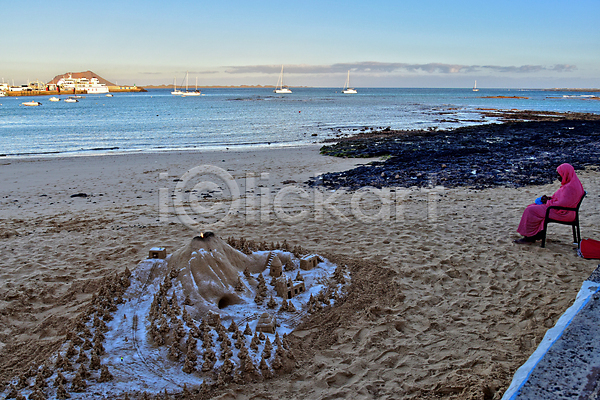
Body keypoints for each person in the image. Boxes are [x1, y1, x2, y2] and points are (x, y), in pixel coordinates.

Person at [515, 163, 585, 244]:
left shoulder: (570, 188)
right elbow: (562, 200)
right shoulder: (573, 184)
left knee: (530, 210)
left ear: (565, 175)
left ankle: (529, 238)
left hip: (564, 213)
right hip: (564, 211)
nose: (557, 177)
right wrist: (549, 198)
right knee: (533, 206)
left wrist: (547, 202)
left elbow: (562, 204)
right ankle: (535, 234)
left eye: (559, 175)